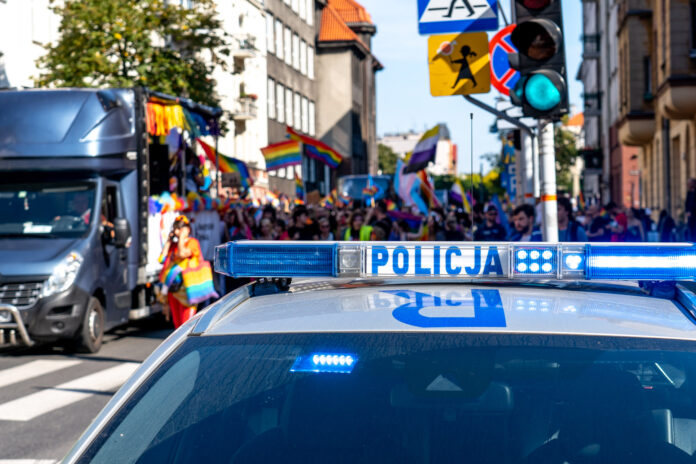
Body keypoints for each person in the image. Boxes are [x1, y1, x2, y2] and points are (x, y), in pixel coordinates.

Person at [158, 215, 203, 329]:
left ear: (188, 229)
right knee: (178, 327)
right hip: (174, 292)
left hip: (188, 292)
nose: (177, 231)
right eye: (175, 228)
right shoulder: (173, 246)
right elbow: (161, 259)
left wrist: (182, 238)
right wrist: (168, 242)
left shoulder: (193, 242)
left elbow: (182, 254)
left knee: (187, 326)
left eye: (180, 228)